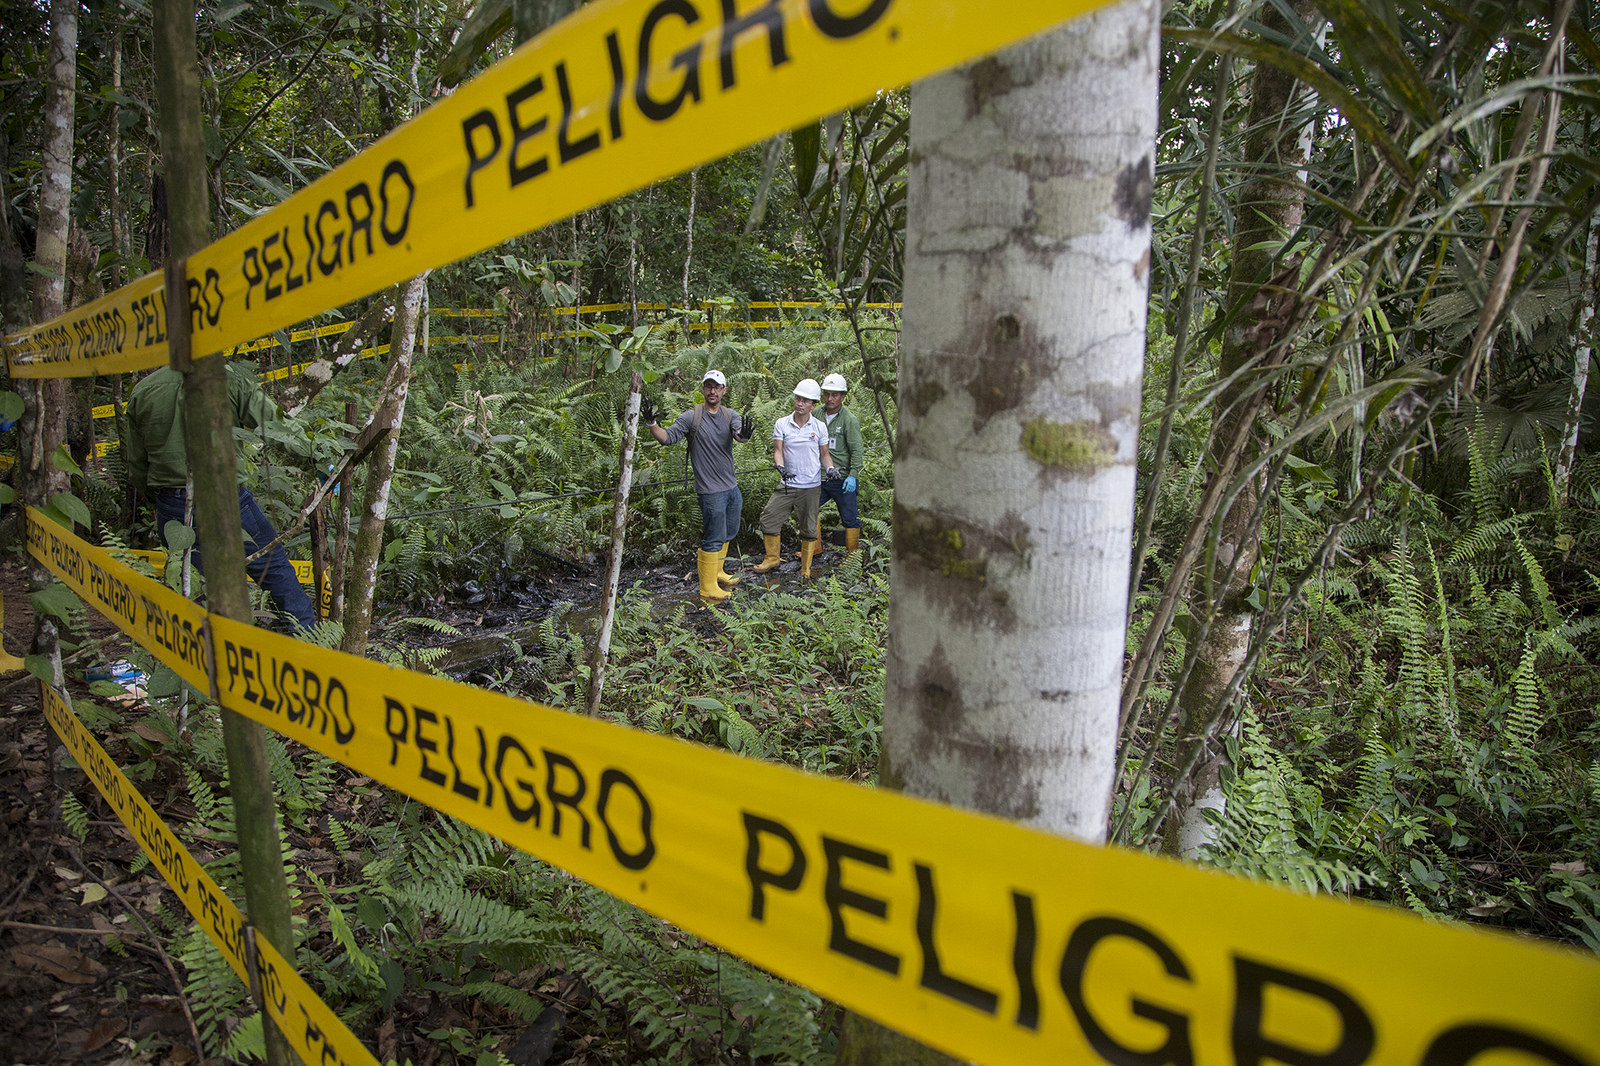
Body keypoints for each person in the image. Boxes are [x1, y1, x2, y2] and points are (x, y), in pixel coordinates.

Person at [125, 363, 317, 633]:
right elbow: (276, 425)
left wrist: (158, 499)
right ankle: (307, 643)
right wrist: (319, 456)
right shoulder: (229, 377)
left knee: (193, 588)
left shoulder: (143, 391)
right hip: (227, 496)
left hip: (175, 504)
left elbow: (137, 465)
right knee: (274, 570)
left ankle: (204, 658)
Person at [643, 369, 756, 600]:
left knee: (729, 531)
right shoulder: (691, 417)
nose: (712, 391)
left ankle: (718, 572)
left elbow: (740, 436)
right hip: (710, 490)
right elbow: (667, 438)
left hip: (731, 487)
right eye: (708, 386)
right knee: (713, 536)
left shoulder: (729, 415)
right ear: (703, 389)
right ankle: (707, 587)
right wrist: (651, 422)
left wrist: (745, 435)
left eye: (717, 387)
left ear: (724, 391)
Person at [754, 378, 834, 579]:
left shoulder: (819, 427)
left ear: (813, 405)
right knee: (769, 518)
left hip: (810, 485)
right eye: (798, 398)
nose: (800, 403)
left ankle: (806, 569)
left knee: (808, 528)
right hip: (788, 484)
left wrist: (831, 469)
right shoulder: (782, 423)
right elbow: (778, 450)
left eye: (805, 400)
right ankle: (772, 558)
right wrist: (780, 467)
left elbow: (824, 454)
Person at [817, 372, 863, 558]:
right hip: (819, 476)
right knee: (808, 509)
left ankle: (852, 557)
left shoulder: (849, 420)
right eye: (827, 394)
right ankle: (815, 548)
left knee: (850, 517)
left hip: (842, 478)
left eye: (835, 395)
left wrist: (853, 475)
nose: (830, 398)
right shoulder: (816, 413)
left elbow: (857, 451)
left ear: (843, 397)